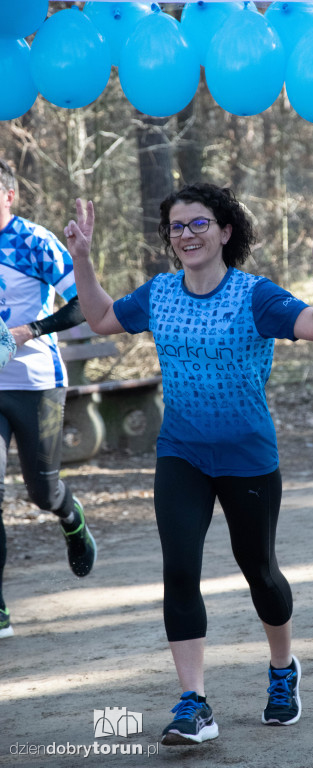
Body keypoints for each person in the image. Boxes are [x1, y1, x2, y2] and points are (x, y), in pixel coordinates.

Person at [64, 182, 313, 746]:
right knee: (179, 568)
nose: (187, 234)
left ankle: (283, 671)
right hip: (182, 454)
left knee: (259, 570)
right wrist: (82, 259)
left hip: (247, 458)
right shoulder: (160, 294)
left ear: (224, 231)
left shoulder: (255, 295)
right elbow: (99, 318)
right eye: (177, 226)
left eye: (199, 224)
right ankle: (194, 703)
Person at [0, 158, 97, 640]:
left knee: (42, 492)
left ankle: (71, 518)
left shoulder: (32, 241)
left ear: (9, 196)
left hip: (35, 382)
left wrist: (28, 330)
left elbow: (84, 304)